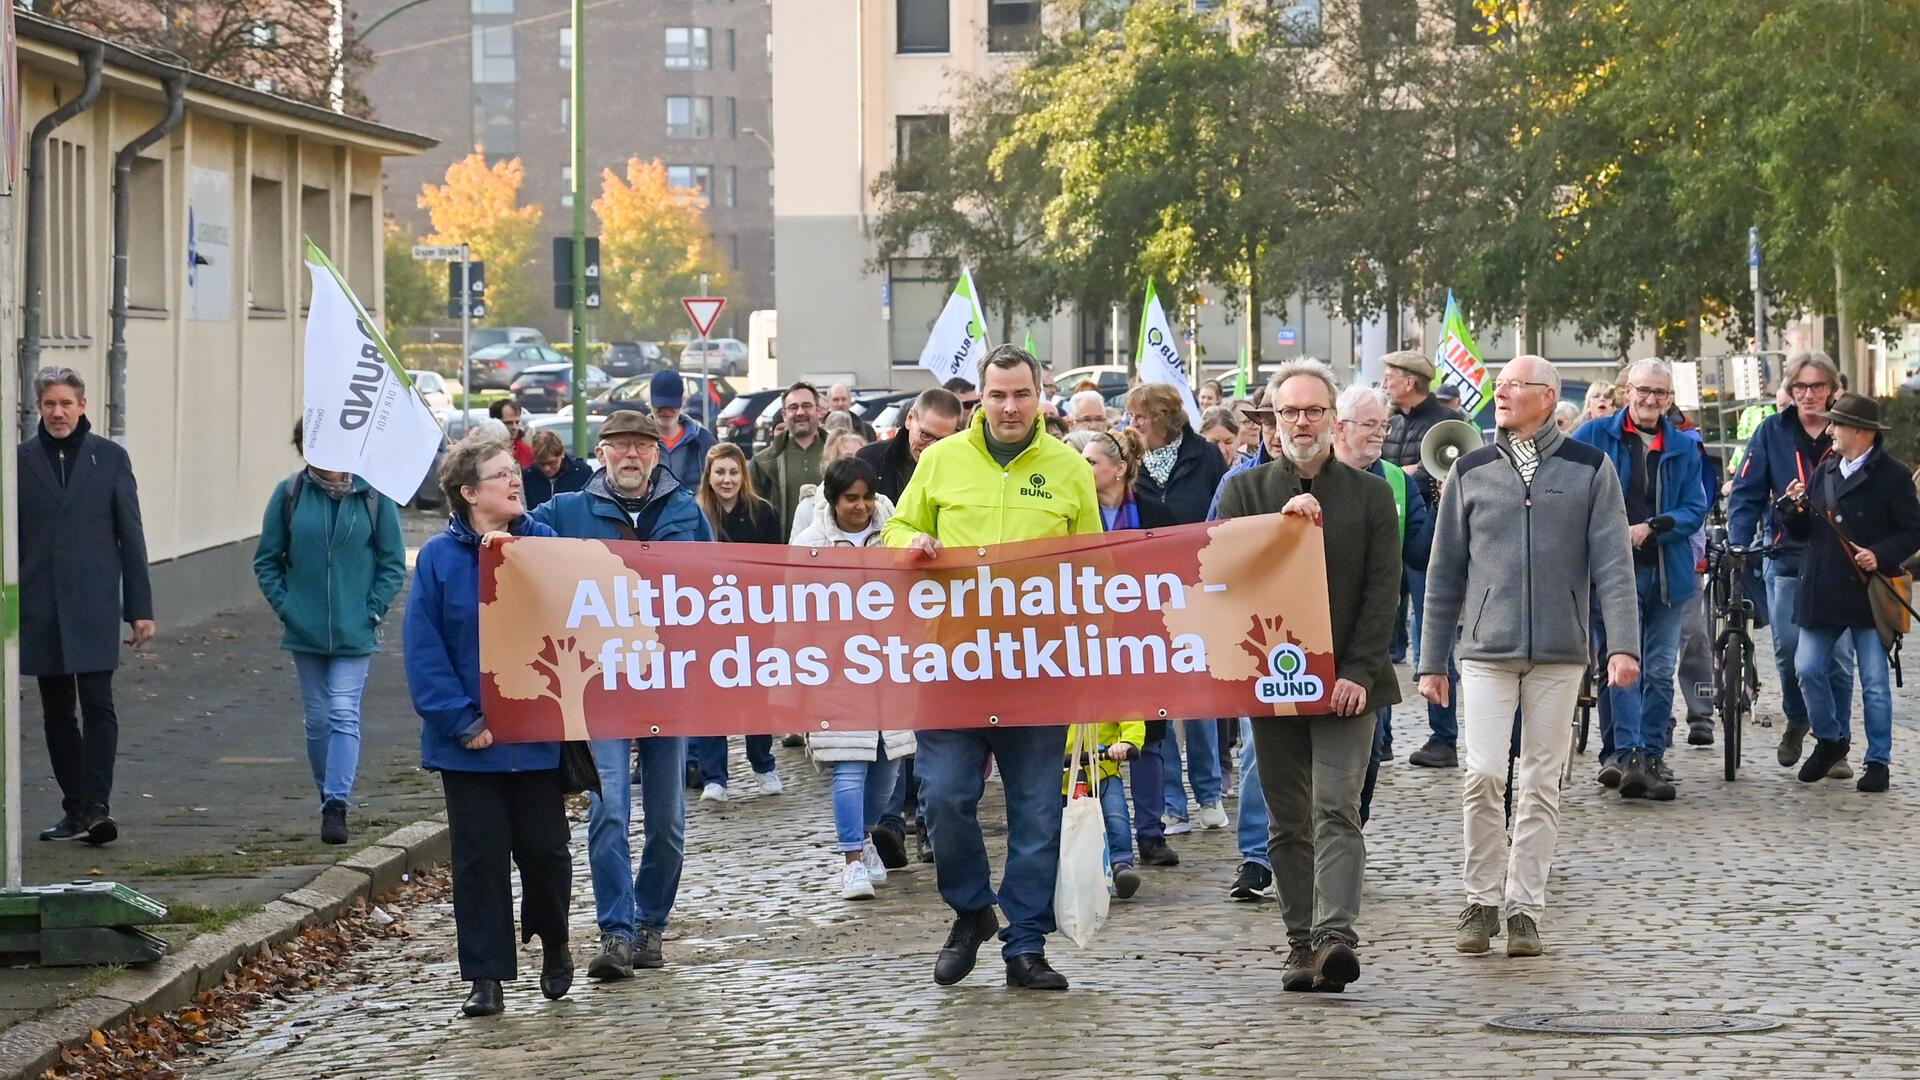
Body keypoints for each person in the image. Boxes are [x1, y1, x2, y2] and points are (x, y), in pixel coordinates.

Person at [883, 344, 1100, 992]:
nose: (1009, 407)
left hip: (1040, 669)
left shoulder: (1068, 470)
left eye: (1021, 394)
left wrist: (1101, 659)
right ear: (979, 398)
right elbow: (895, 532)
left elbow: (1099, 567)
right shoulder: (941, 461)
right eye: (998, 394)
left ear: (1041, 397)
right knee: (945, 798)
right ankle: (972, 909)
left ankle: (1025, 945)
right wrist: (910, 544)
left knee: (1036, 813)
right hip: (951, 668)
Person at [1420, 355, 1640, 959]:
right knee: (1484, 772)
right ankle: (1479, 899)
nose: (1502, 394)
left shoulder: (1591, 469)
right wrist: (1430, 662)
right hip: (1486, 651)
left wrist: (1622, 645)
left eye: (1514, 386)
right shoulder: (1471, 470)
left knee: (1543, 781)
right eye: (1499, 386)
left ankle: (1524, 907)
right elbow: (1444, 574)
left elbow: (1614, 567)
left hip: (1561, 653)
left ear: (1547, 397)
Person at [1215, 359, 1402, 993]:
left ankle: (1336, 936)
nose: (1302, 421)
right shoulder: (1244, 493)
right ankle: (1300, 942)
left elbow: (1384, 591)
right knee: (1288, 817)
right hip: (1271, 682)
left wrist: (1358, 671)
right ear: (1274, 419)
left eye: (1313, 409)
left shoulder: (1371, 493)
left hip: (1351, 684)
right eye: (1291, 410)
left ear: (1332, 419)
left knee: (1336, 807)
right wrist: (1275, 532)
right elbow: (1218, 575)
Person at [529, 410, 712, 981]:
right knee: (608, 810)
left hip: (666, 682)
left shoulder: (685, 511)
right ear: (602, 453)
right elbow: (514, 542)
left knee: (667, 819)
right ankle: (616, 930)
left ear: (657, 454)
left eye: (641, 446)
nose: (630, 455)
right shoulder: (566, 511)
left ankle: (651, 921)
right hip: (597, 682)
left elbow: (719, 591)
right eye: (619, 446)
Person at [403, 438, 572, 1017]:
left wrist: (518, 562)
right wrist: (460, 720)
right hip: (469, 743)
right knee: (480, 860)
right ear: (470, 493)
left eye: (515, 471)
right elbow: (425, 652)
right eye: (501, 475)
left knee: (547, 852)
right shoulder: (437, 560)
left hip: (535, 736)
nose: (515, 481)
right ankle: (486, 976)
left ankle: (554, 943)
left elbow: (577, 619)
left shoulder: (546, 545)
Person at [253, 420, 407, 845]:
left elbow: (392, 562)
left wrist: (372, 609)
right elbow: (266, 560)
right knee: (318, 718)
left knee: (343, 710)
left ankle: (337, 803)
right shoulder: (290, 494)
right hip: (305, 628)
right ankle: (328, 793)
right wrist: (288, 607)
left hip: (355, 628)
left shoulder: (373, 497)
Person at [21, 368, 154, 846]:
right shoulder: (19, 462)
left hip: (93, 604)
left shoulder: (110, 459)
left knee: (99, 704)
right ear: (38, 407)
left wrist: (139, 607)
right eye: (49, 404)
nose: (58, 413)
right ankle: (74, 808)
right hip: (40, 608)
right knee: (56, 712)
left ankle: (98, 807)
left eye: (66, 403)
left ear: (82, 406)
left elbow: (131, 535)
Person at [1570, 359, 1707, 801]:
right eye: (1643, 391)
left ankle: (1651, 752)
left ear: (1669, 399)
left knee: (1661, 669)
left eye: (1660, 394)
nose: (1651, 400)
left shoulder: (1685, 445)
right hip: (1612, 573)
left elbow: (1694, 507)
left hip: (1667, 572)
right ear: (1627, 390)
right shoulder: (1595, 435)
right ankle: (1625, 751)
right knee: (1621, 663)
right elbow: (1568, 488)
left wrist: (1654, 525)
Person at [1778, 394, 1920, 792]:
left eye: (1836, 424)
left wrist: (1880, 554)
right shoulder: (1825, 469)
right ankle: (1830, 738)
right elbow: (1807, 533)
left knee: (1874, 682)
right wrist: (1794, 509)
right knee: (1805, 667)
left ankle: (1878, 761)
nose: (1829, 431)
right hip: (1822, 588)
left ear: (1861, 431)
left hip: (1869, 593)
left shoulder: (1892, 475)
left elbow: (1913, 530)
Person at [1727, 352, 1855, 770]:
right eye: (1800, 387)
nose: (1808, 395)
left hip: (1839, 560)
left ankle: (1835, 741)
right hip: (1785, 557)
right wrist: (1739, 543)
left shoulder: (1849, 431)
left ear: (1832, 389)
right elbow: (1746, 493)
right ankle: (1798, 718)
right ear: (1789, 390)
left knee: (1836, 657)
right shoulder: (1772, 431)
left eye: (1817, 386)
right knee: (1789, 650)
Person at [1122, 382, 1232, 837]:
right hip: (1146, 590)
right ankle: (1171, 804)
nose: (1136, 424)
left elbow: (1220, 509)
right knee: (1159, 701)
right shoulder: (1133, 457)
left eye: (1142, 416)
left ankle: (1208, 793)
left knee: (1198, 694)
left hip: (1197, 583)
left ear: (1165, 416)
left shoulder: (1204, 455)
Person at [1329, 386, 1434, 825]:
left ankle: (1352, 829)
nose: (1380, 434)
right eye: (1370, 425)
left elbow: (1421, 553)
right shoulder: (1316, 475)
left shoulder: (1397, 480)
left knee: (1371, 749)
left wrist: (1447, 506)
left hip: (1373, 637)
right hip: (1316, 632)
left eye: (1383, 425)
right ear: (1340, 427)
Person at [687, 443, 784, 802]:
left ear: (742, 475)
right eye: (720, 472)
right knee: (711, 695)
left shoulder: (763, 513)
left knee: (756, 692)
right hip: (709, 616)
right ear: (708, 476)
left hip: (754, 616)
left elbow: (775, 567)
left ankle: (763, 764)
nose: (726, 480)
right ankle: (715, 776)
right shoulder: (695, 514)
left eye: (733, 472)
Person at [1379, 350, 1451, 692]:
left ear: (1409, 382)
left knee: (1431, 623)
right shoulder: (1390, 421)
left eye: (1390, 376)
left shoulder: (1447, 423)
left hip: (1427, 531)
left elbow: (1450, 469)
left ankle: (1443, 731)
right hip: (1389, 528)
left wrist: (1406, 475)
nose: (1384, 383)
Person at [1063, 720, 1146, 901]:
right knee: (1049, 824)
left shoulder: (1108, 692)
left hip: (1103, 770)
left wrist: (1128, 742)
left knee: (1115, 815)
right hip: (1061, 775)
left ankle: (1121, 864)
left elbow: (1130, 715)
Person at [857, 387, 965, 504]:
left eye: (942, 440)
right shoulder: (869, 459)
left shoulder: (962, 469)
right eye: (926, 435)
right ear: (909, 419)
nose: (932, 447)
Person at [751, 381, 827, 538]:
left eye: (806, 406)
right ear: (784, 415)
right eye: (793, 407)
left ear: (818, 411)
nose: (800, 412)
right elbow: (752, 512)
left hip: (831, 550)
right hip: (783, 551)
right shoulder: (764, 462)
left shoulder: (838, 454)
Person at [791, 433, 889, 541]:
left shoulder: (893, 531)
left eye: (868, 497)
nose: (861, 506)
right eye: (851, 498)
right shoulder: (809, 540)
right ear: (832, 498)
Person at [1081, 427, 1175, 531]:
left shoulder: (1157, 514)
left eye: (1091, 462)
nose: (1082, 469)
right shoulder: (1077, 511)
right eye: (1081, 462)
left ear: (1120, 468)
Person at [651, 369, 719, 487]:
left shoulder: (704, 441)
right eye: (660, 405)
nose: (666, 410)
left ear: (683, 401)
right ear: (650, 401)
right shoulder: (637, 442)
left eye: (672, 404)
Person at [521, 429, 593, 511]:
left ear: (562, 454)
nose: (547, 468)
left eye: (552, 463)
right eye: (541, 464)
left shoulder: (582, 473)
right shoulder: (528, 476)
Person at [489, 398, 533, 468]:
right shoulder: (482, 451)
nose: (514, 427)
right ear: (495, 422)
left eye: (517, 422)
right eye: (508, 423)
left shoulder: (525, 451)